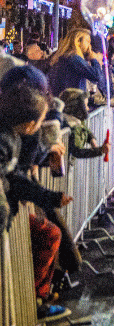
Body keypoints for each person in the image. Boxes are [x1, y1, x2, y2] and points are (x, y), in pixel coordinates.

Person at [0, 83, 73, 321]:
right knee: (49, 235)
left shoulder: (11, 136)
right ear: (31, 124)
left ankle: (35, 298)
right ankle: (33, 300)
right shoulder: (7, 140)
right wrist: (49, 197)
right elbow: (15, 180)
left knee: (50, 234)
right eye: (41, 122)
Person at [47, 28, 108, 100]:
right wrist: (94, 59)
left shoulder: (66, 56)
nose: (89, 46)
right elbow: (97, 76)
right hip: (72, 102)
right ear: (78, 41)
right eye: (87, 41)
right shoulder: (74, 58)